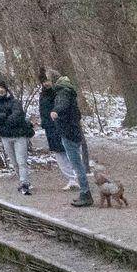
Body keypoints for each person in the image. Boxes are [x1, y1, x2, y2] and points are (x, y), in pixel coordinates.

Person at [49, 74, 93, 207]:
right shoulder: (70, 93)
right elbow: (77, 114)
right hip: (74, 132)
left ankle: (86, 194)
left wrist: (55, 111)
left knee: (77, 165)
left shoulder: (62, 93)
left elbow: (62, 105)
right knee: (77, 163)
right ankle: (84, 193)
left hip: (69, 134)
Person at [0, 80, 35, 196]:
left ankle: (24, 183)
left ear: (6, 88)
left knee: (21, 160)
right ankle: (22, 180)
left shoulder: (15, 101)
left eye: (2, 87)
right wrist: (5, 116)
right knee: (14, 162)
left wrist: (2, 119)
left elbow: (17, 116)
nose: (0, 90)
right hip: (5, 136)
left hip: (19, 135)